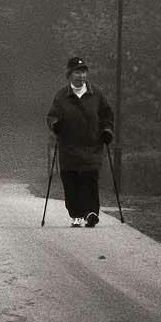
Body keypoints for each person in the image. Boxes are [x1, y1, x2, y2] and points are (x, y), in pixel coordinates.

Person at [46, 54, 115, 227]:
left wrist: (107, 130)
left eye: (84, 72)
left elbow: (107, 115)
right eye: (77, 72)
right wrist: (55, 125)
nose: (81, 76)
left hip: (92, 147)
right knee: (71, 183)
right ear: (69, 74)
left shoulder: (96, 94)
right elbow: (52, 116)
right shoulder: (61, 96)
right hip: (68, 148)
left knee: (90, 180)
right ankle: (76, 214)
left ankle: (91, 212)